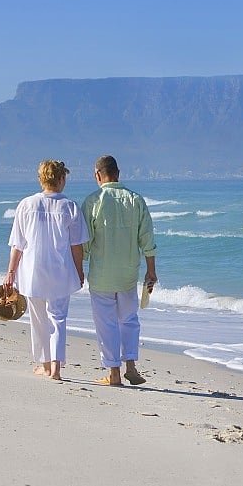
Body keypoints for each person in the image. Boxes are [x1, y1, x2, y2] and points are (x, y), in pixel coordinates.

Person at [5, 159, 89, 381]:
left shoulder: (26, 204)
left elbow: (18, 244)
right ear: (61, 179)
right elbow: (76, 245)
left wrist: (10, 273)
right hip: (60, 270)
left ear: (41, 179)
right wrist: (80, 271)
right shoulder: (69, 207)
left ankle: (44, 365)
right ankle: (56, 369)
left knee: (39, 320)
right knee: (58, 319)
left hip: (32, 270)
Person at [81, 154, 157, 386]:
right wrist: (151, 271)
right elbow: (147, 238)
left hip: (102, 275)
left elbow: (85, 242)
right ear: (118, 173)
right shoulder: (136, 200)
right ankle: (131, 367)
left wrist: (77, 269)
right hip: (128, 273)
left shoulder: (94, 201)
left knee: (106, 323)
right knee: (129, 320)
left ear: (97, 175)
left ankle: (114, 372)